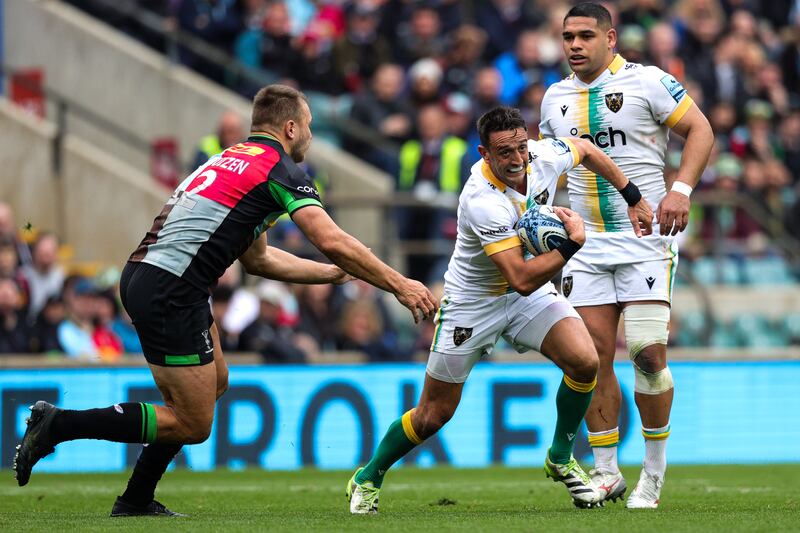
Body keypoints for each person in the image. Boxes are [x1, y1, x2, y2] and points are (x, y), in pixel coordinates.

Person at [14, 84, 438, 517]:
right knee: (193, 423)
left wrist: (331, 273)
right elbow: (329, 238)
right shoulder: (279, 171)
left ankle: (137, 497)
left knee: (217, 380)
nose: (311, 136)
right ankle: (59, 425)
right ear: (290, 128)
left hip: (166, 279)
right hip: (170, 289)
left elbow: (259, 259)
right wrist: (398, 283)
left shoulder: (231, 161)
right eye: (309, 127)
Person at [346, 106, 653, 514]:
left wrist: (631, 195)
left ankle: (561, 457)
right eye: (504, 152)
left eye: (521, 147)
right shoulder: (481, 199)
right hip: (475, 302)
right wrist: (571, 245)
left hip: (526, 296)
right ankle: (368, 475)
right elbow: (520, 276)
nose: (516, 159)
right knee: (433, 415)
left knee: (585, 362)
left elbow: (586, 150)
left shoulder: (541, 156)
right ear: (484, 153)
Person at [539, 3, 714, 508]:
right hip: (585, 244)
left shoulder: (650, 81)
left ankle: (653, 476)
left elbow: (701, 130)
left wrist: (679, 190)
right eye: (567, 36)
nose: (574, 45)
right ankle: (607, 471)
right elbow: (553, 167)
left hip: (646, 239)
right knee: (591, 360)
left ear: (610, 39)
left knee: (647, 352)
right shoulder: (554, 99)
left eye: (585, 36)